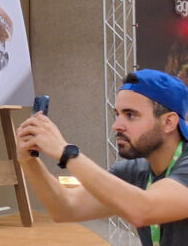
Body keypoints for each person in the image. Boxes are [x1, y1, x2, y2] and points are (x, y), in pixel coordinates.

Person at [17, 69, 188, 246]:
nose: (117, 125)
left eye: (130, 115)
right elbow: (67, 208)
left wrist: (66, 152)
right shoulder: (135, 171)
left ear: (169, 122)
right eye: (118, 114)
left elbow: (144, 210)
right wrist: (28, 160)